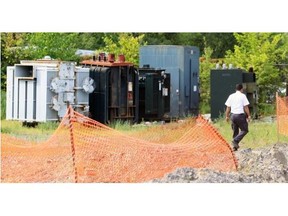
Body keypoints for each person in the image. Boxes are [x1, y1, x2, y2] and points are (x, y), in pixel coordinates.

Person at [225, 84, 251, 151]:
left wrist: (227, 116)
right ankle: (235, 141)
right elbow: (245, 107)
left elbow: (228, 107)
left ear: (235, 89)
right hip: (240, 115)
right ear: (241, 89)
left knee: (235, 131)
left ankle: (235, 147)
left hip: (233, 116)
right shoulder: (243, 96)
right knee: (245, 130)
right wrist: (248, 115)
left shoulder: (231, 96)